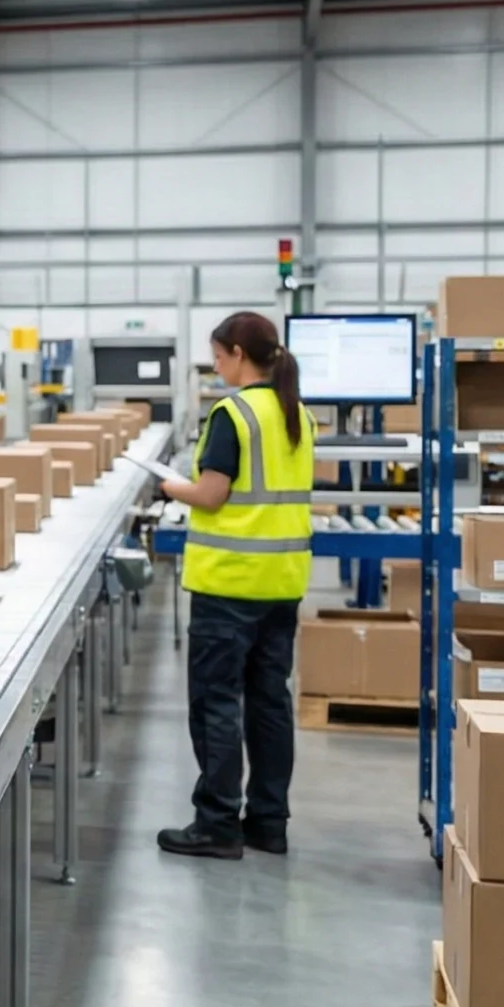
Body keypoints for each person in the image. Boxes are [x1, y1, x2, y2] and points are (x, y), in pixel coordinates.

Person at [153, 310, 316, 859]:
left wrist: (170, 487)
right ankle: (269, 823)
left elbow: (212, 494)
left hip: (228, 586)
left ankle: (218, 822)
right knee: (270, 703)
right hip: (282, 584)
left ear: (238, 355)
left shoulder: (234, 414)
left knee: (218, 702)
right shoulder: (298, 414)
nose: (217, 366)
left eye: (218, 356)